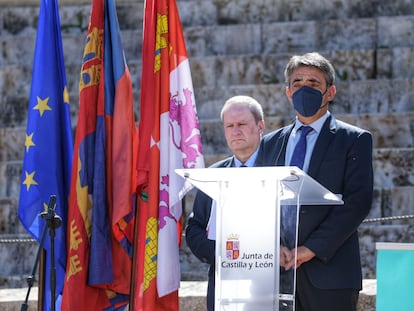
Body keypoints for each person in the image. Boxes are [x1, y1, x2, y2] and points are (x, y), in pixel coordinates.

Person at [259, 52, 374, 311]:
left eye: (313, 84)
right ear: (288, 92)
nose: (304, 89)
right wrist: (273, 246)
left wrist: (310, 248)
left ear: (330, 92)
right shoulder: (270, 143)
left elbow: (357, 202)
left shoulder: (354, 139)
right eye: (297, 83)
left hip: (330, 273)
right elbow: (260, 199)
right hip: (277, 273)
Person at [185, 95, 265, 311]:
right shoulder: (213, 176)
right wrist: (224, 256)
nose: (235, 131)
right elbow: (195, 228)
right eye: (229, 126)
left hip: (269, 282)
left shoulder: (279, 169)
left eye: (242, 124)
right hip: (223, 285)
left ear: (260, 126)